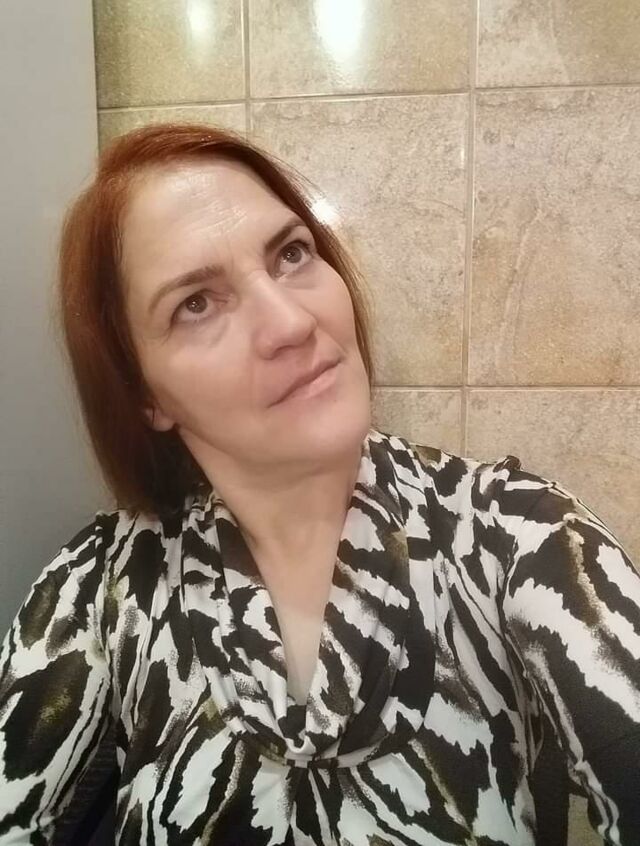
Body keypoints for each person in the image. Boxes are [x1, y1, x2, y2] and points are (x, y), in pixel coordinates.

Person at [0, 123, 638, 846]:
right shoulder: (101, 587)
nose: (292, 322)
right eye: (196, 303)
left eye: (291, 254)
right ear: (145, 394)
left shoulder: (518, 536)